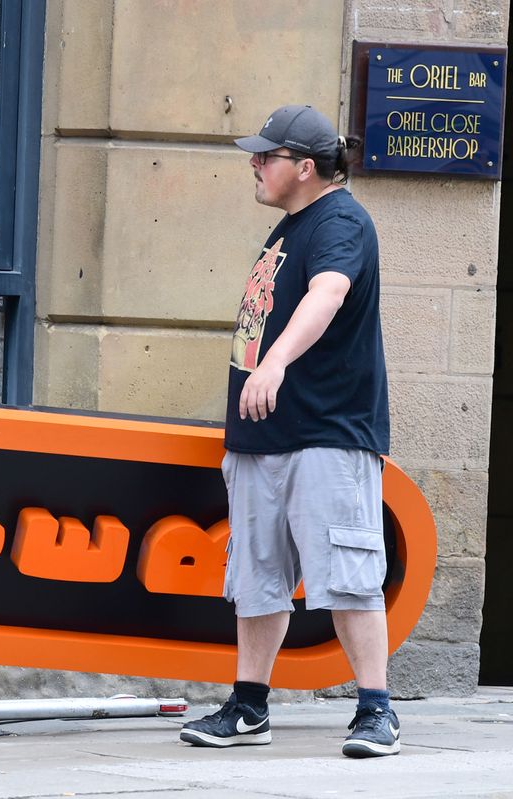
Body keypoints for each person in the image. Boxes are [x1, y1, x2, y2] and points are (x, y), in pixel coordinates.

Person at [179, 105, 398, 758]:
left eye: (266, 155)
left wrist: (274, 361)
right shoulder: (288, 230)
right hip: (263, 439)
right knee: (256, 576)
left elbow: (327, 294)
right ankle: (249, 706)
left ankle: (377, 710)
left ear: (305, 167)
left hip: (325, 434)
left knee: (349, 573)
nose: (254, 162)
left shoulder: (340, 221)